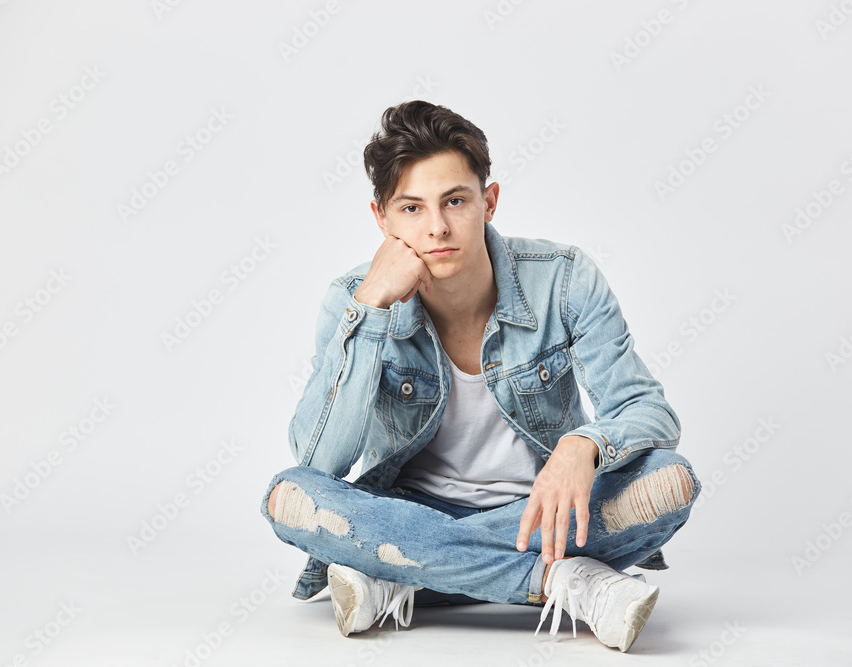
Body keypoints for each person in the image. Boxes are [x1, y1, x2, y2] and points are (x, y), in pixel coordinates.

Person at [260, 100, 699, 652]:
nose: (437, 227)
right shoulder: (352, 300)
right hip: (411, 508)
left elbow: (649, 411)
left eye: (455, 201)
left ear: (488, 202)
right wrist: (371, 307)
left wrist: (582, 446)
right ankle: (562, 582)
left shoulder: (564, 279)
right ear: (382, 220)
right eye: (412, 208)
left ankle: (399, 573)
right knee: (288, 493)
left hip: (544, 510)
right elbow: (319, 463)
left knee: (671, 479)